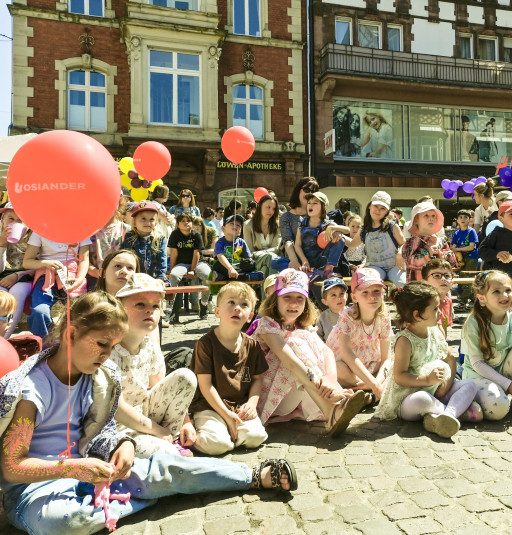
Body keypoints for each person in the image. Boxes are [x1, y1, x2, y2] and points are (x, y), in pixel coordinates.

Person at [0, 292, 296, 535]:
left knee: (165, 468)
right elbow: (12, 468)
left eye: (112, 347)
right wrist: (71, 469)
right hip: (35, 494)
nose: (106, 354)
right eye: (101, 344)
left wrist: (124, 444)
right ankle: (147, 496)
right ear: (72, 333)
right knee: (65, 522)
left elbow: (100, 428)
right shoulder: (31, 389)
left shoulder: (97, 377)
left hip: (91, 474)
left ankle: (251, 475)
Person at [252, 268, 369, 436]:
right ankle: (331, 411)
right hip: (271, 398)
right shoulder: (267, 325)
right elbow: (291, 363)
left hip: (299, 393)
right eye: (287, 297)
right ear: (275, 300)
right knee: (293, 341)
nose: (294, 303)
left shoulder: (303, 326)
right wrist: (329, 391)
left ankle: (333, 405)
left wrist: (330, 379)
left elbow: (327, 351)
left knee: (304, 337)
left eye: (299, 298)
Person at [374, 282, 479, 437]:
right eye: (435, 309)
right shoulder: (405, 340)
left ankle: (446, 416)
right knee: (422, 399)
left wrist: (446, 386)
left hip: (435, 391)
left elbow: (450, 360)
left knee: (470, 385)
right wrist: (427, 380)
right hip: (409, 398)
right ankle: (454, 412)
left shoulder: (435, 332)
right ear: (417, 315)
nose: (441, 313)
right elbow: (400, 376)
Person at [111, 274, 198, 457]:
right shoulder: (110, 351)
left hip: (145, 415)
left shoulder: (148, 346)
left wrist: (185, 422)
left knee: (185, 376)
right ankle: (163, 443)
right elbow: (115, 407)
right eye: (140, 305)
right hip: (119, 428)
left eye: (155, 306)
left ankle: (171, 437)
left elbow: (159, 385)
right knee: (166, 454)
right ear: (120, 310)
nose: (149, 311)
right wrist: (155, 429)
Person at [188, 282, 268, 455]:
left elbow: (258, 378)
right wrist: (225, 414)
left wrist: (252, 403)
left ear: (250, 316)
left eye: (244, 304)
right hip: (209, 406)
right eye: (231, 302)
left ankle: (228, 431)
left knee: (256, 437)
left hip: (238, 406)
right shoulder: (205, 344)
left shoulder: (252, 346)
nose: (237, 308)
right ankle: (198, 431)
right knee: (218, 445)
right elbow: (205, 385)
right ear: (217, 312)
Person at [460, 270, 512, 418]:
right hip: (479, 377)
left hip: (504, 373)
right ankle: (469, 401)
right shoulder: (473, 323)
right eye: (497, 291)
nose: (505, 295)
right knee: (498, 409)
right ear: (482, 298)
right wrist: (509, 385)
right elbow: (478, 364)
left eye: (508, 290)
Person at [327, 268, 392, 401]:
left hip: (371, 364)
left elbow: (386, 358)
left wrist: (377, 382)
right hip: (348, 367)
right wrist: (372, 383)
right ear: (355, 297)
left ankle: (367, 394)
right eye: (365, 292)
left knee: (393, 365)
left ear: (383, 293)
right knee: (338, 368)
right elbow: (346, 354)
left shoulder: (384, 318)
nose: (372, 296)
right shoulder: (347, 317)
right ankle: (369, 391)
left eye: (376, 291)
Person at [22, 230, 91, 339]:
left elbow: (84, 259)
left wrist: (79, 279)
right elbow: (26, 262)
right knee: (39, 311)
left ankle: (72, 342)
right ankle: (43, 342)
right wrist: (45, 263)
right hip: (46, 275)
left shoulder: (80, 230)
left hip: (71, 275)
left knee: (78, 312)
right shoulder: (39, 231)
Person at [351, 191, 406, 286]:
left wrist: (400, 254)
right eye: (375, 206)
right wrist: (339, 233)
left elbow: (404, 243)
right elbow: (352, 244)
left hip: (394, 266)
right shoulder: (364, 229)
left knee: (403, 283)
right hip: (374, 267)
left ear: (387, 211)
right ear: (369, 206)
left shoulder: (392, 226)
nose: (378, 210)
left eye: (382, 208)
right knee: (369, 283)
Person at [293, 191, 349, 280]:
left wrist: (334, 229)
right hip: (306, 262)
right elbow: (297, 245)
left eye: (315, 203)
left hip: (322, 261)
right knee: (276, 262)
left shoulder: (328, 224)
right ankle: (313, 272)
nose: (310, 205)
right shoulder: (302, 224)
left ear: (324, 207)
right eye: (309, 203)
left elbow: (347, 230)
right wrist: (304, 261)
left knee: (341, 240)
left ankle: (328, 270)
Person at [167, 213, 210, 321]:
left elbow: (197, 254)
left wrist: (192, 270)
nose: (186, 223)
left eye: (188, 221)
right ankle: (169, 308)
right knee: (173, 276)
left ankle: (204, 302)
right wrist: (171, 269)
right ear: (178, 224)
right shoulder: (175, 235)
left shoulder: (196, 235)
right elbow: (174, 253)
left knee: (208, 275)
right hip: (181, 263)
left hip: (198, 263)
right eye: (183, 221)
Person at [0, 203, 34, 338]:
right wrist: (2, 243)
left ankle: (5, 338)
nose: (15, 223)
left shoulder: (34, 238)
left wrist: (17, 275)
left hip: (27, 276)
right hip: (3, 275)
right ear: (3, 220)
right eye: (11, 219)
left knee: (17, 293)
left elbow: (37, 266)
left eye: (20, 220)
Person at [478, 200, 512, 283]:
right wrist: (496, 254)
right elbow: (482, 251)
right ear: (501, 218)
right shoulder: (495, 234)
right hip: (497, 280)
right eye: (511, 214)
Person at [401, 202, 457, 282]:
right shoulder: (410, 243)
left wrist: (440, 254)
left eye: (433, 216)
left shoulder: (440, 241)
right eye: (426, 215)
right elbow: (410, 262)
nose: (431, 218)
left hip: (438, 286)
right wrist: (428, 255)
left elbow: (452, 261)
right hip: (418, 286)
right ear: (416, 220)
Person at [89, 198, 131, 289]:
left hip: (120, 281)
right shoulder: (89, 230)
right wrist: (100, 274)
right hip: (94, 280)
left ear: (119, 204)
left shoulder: (127, 230)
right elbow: (84, 258)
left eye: (111, 203)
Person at [121, 202, 168, 282]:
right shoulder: (130, 237)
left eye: (151, 219)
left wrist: (160, 277)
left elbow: (162, 260)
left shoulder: (160, 238)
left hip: (154, 277)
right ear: (134, 222)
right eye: (143, 219)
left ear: (156, 223)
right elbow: (127, 258)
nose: (147, 222)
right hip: (135, 277)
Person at [279, 178, 318, 269]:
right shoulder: (286, 217)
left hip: (317, 260)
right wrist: (294, 260)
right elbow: (288, 241)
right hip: (296, 262)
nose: (309, 194)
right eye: (306, 189)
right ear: (298, 191)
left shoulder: (319, 215)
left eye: (313, 191)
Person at [213, 214, 264, 282]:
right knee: (217, 265)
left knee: (251, 263)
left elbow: (248, 257)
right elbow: (220, 256)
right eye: (232, 223)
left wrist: (248, 262)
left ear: (240, 232)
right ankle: (247, 277)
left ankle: (222, 276)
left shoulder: (241, 242)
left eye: (238, 225)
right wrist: (230, 268)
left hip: (238, 266)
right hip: (225, 266)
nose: (235, 226)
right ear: (223, 228)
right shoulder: (220, 242)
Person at [243, 193, 282, 279]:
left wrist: (258, 253)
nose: (271, 211)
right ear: (260, 206)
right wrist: (260, 254)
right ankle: (275, 287)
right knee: (270, 257)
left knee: (265, 269)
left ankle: (269, 287)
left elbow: (276, 248)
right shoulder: (248, 225)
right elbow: (250, 251)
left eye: (273, 209)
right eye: (268, 207)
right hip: (256, 261)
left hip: (273, 259)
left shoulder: (278, 225)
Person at [422, 259, 455, 336]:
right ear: (425, 281)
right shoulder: (426, 303)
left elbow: (444, 328)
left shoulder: (448, 301)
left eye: (447, 276)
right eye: (437, 275)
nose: (443, 278)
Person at [316, 276, 348, 341]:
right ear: (325, 301)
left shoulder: (353, 314)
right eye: (333, 295)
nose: (338, 298)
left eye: (341, 294)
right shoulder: (322, 317)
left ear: (346, 296)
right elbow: (317, 337)